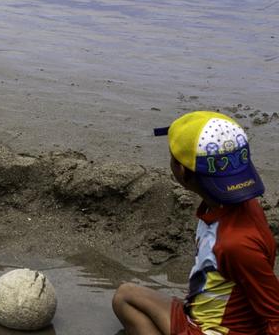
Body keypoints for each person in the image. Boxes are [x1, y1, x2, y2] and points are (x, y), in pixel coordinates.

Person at [112, 111, 279, 335]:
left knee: (125, 298)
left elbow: (275, 314)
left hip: (214, 330)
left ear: (181, 171)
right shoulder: (236, 206)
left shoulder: (235, 244)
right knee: (125, 295)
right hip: (210, 312)